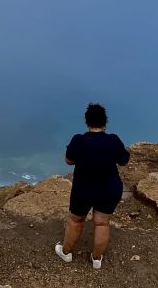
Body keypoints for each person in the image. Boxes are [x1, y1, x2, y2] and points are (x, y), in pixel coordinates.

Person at [55, 103, 130, 269]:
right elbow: (124, 160)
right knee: (102, 222)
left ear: (87, 122)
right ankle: (97, 259)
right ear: (105, 122)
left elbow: (69, 161)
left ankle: (66, 253)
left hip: (84, 188)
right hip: (110, 187)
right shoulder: (113, 140)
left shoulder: (79, 140)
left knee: (76, 219)